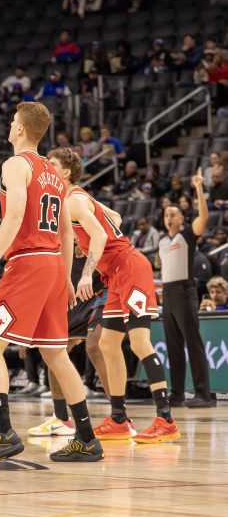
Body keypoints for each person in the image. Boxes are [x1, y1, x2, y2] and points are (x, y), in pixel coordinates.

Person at [0, 102, 103, 469]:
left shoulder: (16, 164)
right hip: (52, 268)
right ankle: (87, 438)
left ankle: (4, 433)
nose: (10, 127)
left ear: (21, 131)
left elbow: (13, 216)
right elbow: (64, 234)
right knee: (55, 353)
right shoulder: (54, 175)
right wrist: (63, 278)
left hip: (26, 263)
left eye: (12, 122)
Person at [47, 147, 181, 442]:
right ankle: (119, 419)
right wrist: (86, 241)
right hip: (115, 275)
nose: (47, 168)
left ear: (66, 172)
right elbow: (116, 218)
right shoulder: (80, 198)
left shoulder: (73, 201)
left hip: (130, 268)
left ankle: (166, 420)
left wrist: (85, 272)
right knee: (107, 344)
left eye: (52, 164)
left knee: (139, 342)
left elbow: (103, 234)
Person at [158, 172, 216, 408]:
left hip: (184, 291)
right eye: (166, 214)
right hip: (168, 294)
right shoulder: (162, 242)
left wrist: (199, 189)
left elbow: (204, 216)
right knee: (173, 347)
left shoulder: (188, 236)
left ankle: (203, 394)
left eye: (173, 214)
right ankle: (178, 393)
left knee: (193, 342)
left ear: (182, 219)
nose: (168, 216)